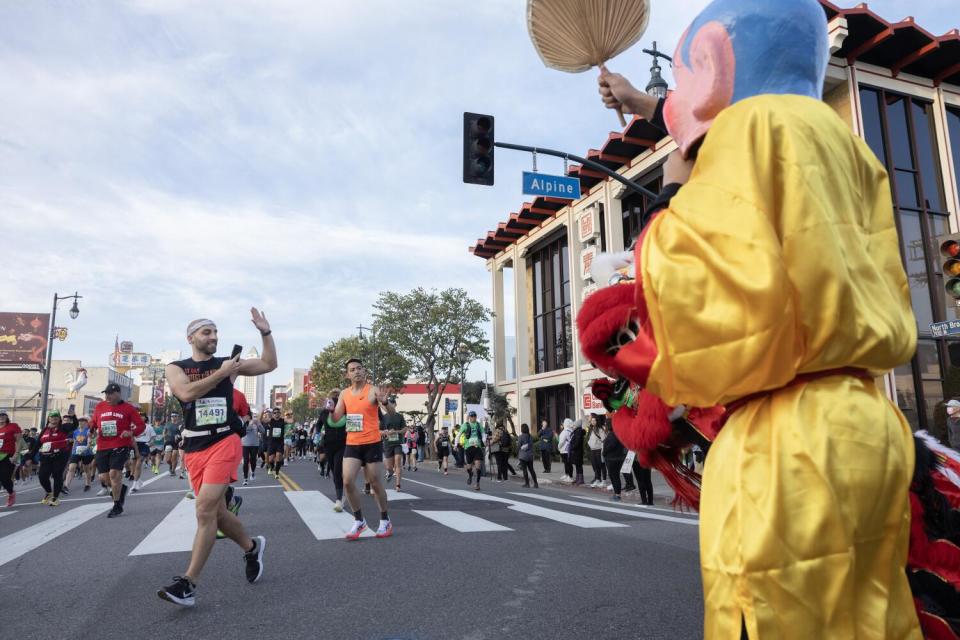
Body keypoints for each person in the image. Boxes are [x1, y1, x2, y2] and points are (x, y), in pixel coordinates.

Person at [591, 1, 921, 635]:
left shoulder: (747, 131)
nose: (676, 97)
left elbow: (709, 319)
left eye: (682, 79)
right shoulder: (840, 145)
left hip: (786, 441)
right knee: (870, 618)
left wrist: (674, 198)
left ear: (713, 64)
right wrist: (644, 103)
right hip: (865, 423)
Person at [158, 311, 274, 607]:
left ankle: (188, 583)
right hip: (195, 446)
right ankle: (251, 547)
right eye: (206, 332)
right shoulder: (176, 367)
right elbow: (185, 393)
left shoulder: (230, 364)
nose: (213, 337)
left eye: (215, 332)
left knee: (204, 508)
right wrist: (223, 373)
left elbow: (269, 364)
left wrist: (265, 333)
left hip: (225, 439)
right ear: (191, 338)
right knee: (217, 514)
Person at [331, 358, 393, 540]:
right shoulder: (344, 393)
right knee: (348, 481)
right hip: (352, 443)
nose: (356, 371)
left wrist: (385, 402)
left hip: (372, 442)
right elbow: (336, 419)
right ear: (347, 374)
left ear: (364, 371)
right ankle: (359, 521)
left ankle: (385, 519)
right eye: (352, 369)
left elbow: (392, 413)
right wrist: (329, 410)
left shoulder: (373, 390)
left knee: (374, 482)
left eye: (359, 368)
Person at [91, 384, 145, 517]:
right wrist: (91, 429)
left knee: (114, 474)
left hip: (120, 444)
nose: (107, 396)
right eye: (106, 394)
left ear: (118, 394)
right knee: (104, 477)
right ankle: (121, 490)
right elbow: (94, 421)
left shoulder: (128, 408)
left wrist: (131, 432)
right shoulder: (100, 406)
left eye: (110, 393)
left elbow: (141, 425)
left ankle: (117, 506)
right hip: (102, 445)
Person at [37, 410, 75, 506]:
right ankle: (49, 492)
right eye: (52, 417)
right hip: (46, 456)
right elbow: (38, 443)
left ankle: (55, 498)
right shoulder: (45, 429)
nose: (54, 418)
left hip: (60, 456)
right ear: (48, 419)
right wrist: (30, 455)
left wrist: (73, 416)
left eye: (56, 417)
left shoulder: (64, 427)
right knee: (42, 476)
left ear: (59, 419)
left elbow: (74, 425)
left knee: (57, 475)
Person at [320, 390, 347, 511]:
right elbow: (318, 424)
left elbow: (353, 421)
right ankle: (341, 496)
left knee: (337, 470)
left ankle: (338, 500)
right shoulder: (325, 411)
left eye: (338, 396)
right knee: (334, 470)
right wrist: (317, 432)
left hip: (343, 444)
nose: (335, 398)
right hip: (328, 444)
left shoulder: (345, 409)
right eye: (334, 396)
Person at [380, 397, 405, 490]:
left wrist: (397, 432)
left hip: (398, 443)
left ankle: (398, 485)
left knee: (398, 462)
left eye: (393, 403)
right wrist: (386, 432)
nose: (391, 405)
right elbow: (378, 430)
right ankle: (389, 472)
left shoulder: (400, 416)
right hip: (387, 443)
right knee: (389, 467)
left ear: (395, 405)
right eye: (389, 403)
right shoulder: (384, 417)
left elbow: (405, 429)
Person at [65, 416, 95, 492]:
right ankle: (66, 485)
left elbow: (89, 441)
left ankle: (87, 484)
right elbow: (75, 442)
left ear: (86, 423)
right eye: (79, 421)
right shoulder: (75, 432)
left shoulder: (88, 431)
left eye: (82, 421)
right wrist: (72, 451)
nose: (80, 423)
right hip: (76, 452)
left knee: (86, 469)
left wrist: (87, 447)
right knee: (71, 468)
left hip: (86, 453)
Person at [0, 412, 22, 507]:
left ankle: (11, 493)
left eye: (3, 415)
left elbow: (19, 441)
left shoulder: (13, 426)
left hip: (8, 456)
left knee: (5, 478)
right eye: (0, 416)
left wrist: (16, 455)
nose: (1, 417)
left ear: (7, 417)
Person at [461, 411, 485, 491]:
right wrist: (455, 443)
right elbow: (459, 435)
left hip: (477, 447)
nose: (473, 417)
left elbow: (483, 434)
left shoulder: (478, 425)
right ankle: (470, 475)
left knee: (478, 466)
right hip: (468, 448)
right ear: (469, 417)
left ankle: (477, 484)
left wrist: (484, 442)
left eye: (474, 416)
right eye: (471, 416)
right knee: (469, 467)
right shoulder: (465, 425)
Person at [131, 415, 154, 492]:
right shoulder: (133, 426)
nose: (141, 417)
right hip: (134, 445)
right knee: (134, 466)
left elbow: (153, 437)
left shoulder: (149, 427)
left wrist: (150, 443)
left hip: (144, 445)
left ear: (145, 418)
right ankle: (138, 480)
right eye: (139, 416)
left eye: (142, 416)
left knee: (138, 464)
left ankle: (134, 485)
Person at [241, 410, 265, 485]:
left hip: (255, 444)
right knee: (245, 461)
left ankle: (253, 472)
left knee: (253, 460)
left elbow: (263, 431)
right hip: (245, 444)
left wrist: (259, 424)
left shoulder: (256, 422)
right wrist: (250, 424)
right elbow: (244, 432)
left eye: (249, 415)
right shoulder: (243, 422)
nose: (247, 417)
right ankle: (245, 479)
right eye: (246, 415)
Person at [586, 414, 608, 488]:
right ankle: (598, 479)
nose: (593, 422)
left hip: (599, 449)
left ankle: (604, 480)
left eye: (594, 420)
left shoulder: (600, 429)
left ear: (597, 421)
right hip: (593, 450)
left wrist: (603, 450)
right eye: (592, 420)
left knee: (601, 465)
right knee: (595, 466)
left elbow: (604, 440)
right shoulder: (591, 429)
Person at [517, 423, 538, 489]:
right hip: (530, 456)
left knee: (524, 470)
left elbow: (518, 446)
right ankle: (535, 483)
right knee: (531, 470)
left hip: (523, 456)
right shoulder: (530, 436)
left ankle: (527, 483)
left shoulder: (521, 437)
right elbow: (531, 445)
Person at [162, 414, 183, 478]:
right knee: (167, 460)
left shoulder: (180, 424)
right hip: (168, 441)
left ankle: (173, 470)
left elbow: (183, 432)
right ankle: (171, 465)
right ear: (171, 417)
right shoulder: (168, 424)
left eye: (175, 416)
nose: (173, 417)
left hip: (177, 442)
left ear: (177, 417)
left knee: (174, 455)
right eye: (172, 416)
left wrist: (179, 436)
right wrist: (164, 436)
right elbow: (164, 431)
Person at [569, 418, 585, 485]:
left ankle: (580, 479)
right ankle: (578, 478)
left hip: (577, 451)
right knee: (577, 465)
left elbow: (577, 442)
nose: (573, 426)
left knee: (579, 465)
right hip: (576, 451)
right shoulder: (576, 431)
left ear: (577, 426)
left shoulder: (578, 432)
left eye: (574, 425)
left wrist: (572, 447)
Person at [557, 418, 574, 483]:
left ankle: (569, 476)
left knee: (567, 463)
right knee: (568, 463)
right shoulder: (571, 431)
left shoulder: (564, 432)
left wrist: (558, 447)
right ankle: (568, 475)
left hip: (564, 449)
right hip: (569, 449)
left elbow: (561, 441)